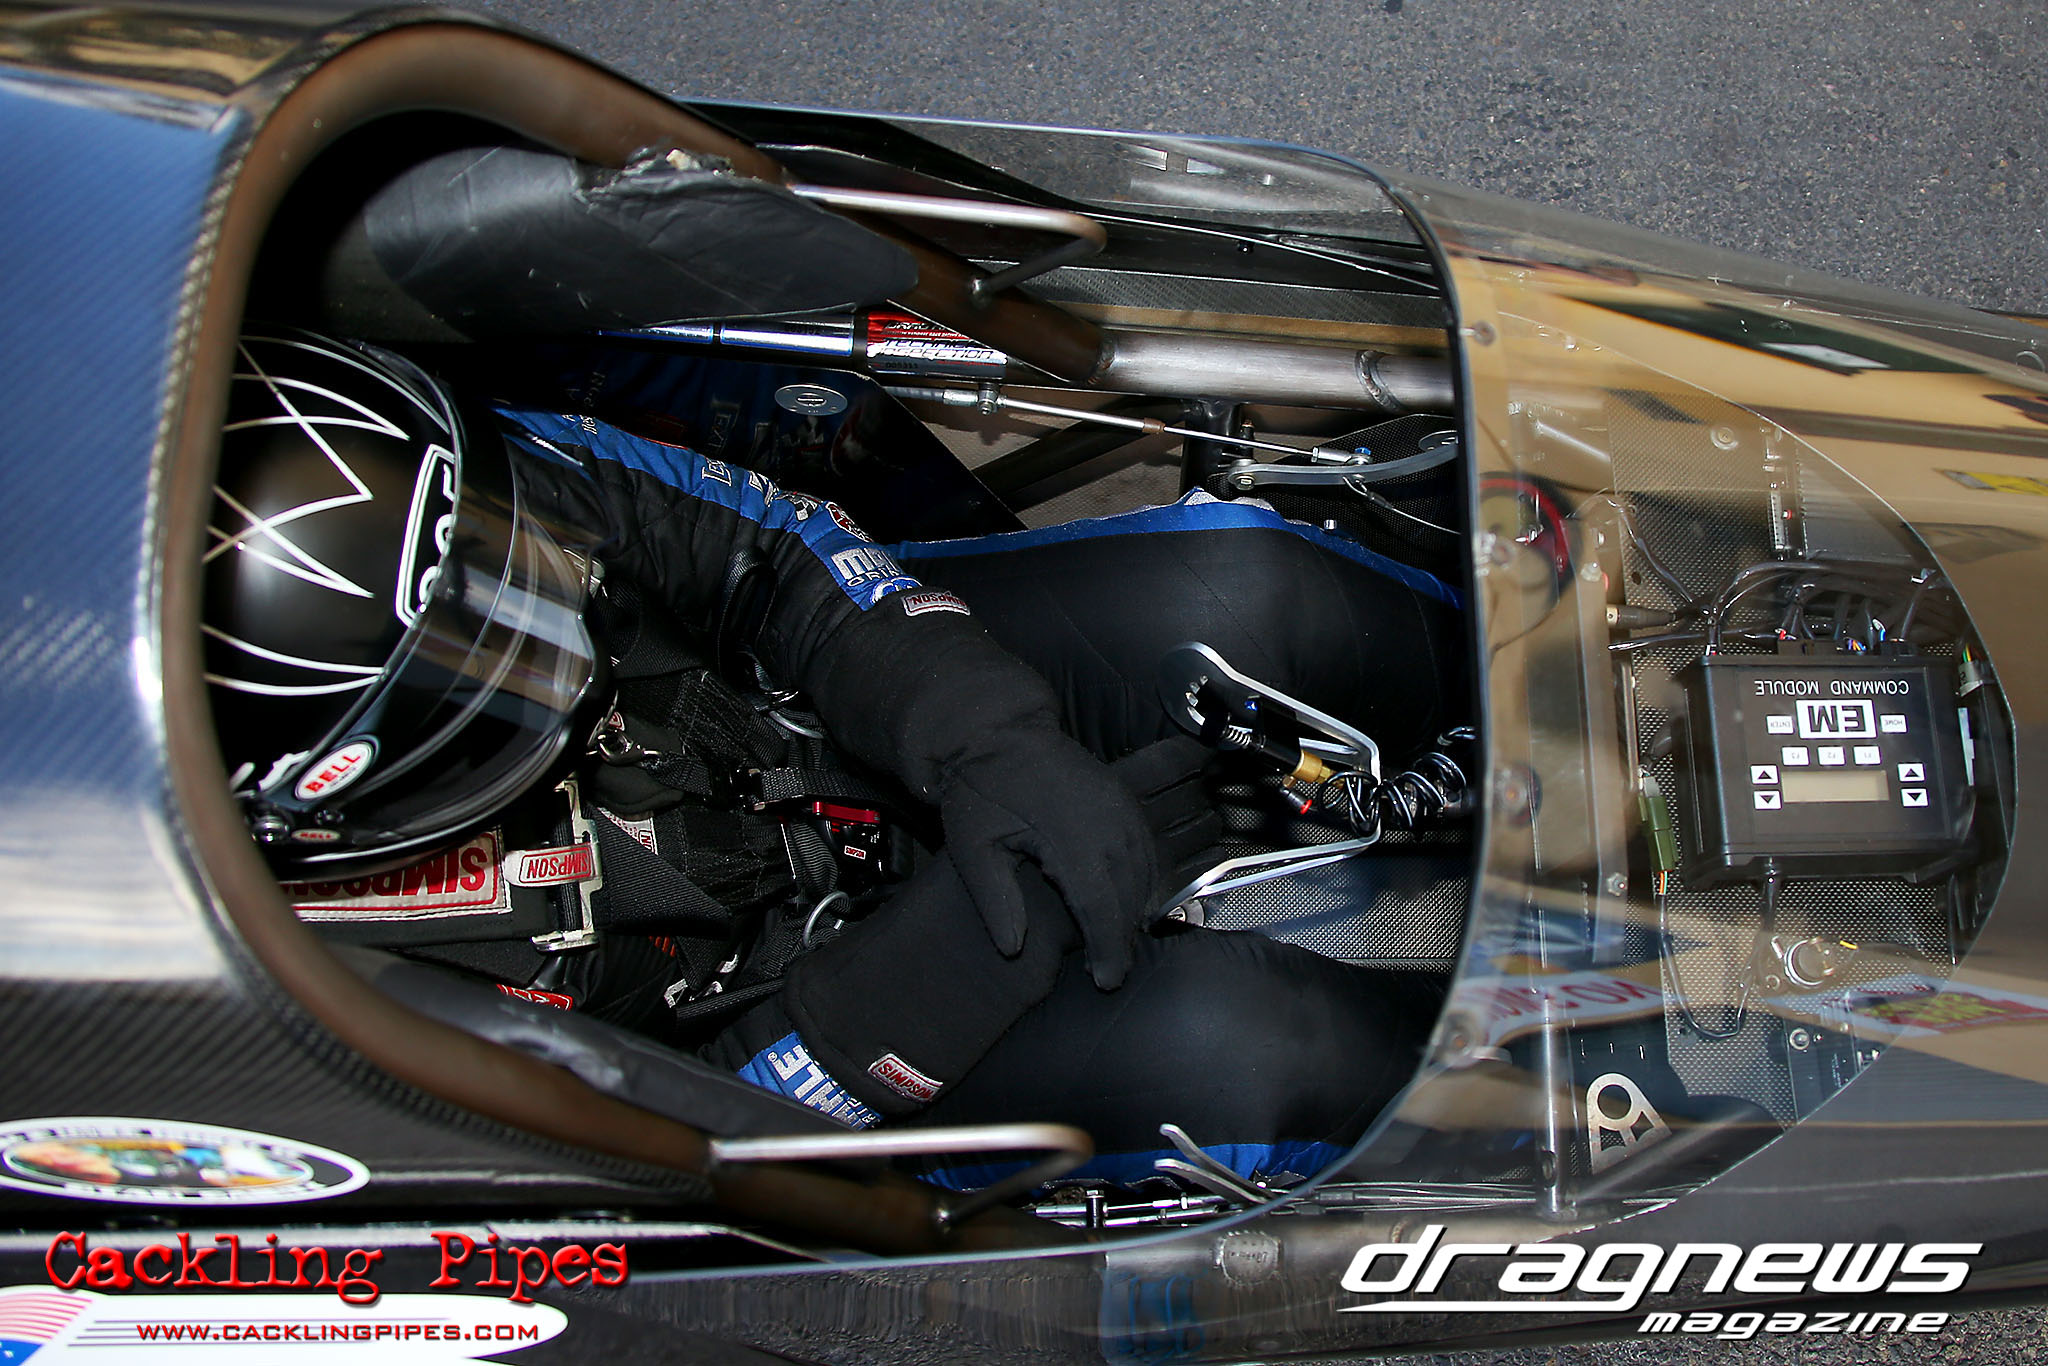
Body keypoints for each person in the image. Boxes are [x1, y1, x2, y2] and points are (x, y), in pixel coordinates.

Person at [206, 329, 1460, 1187]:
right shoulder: (246, 1040)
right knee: (1262, 1053)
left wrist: (983, 737)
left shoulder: (391, 446)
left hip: (831, 714)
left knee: (1255, 591)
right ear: (322, 814)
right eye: (478, 665)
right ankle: (1537, 1086)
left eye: (511, 570)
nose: (553, 637)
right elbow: (635, 1184)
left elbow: (756, 534)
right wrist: (921, 987)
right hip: (813, 1027)